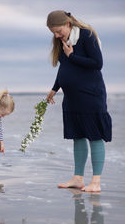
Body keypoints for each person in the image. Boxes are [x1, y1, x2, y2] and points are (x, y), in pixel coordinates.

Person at [46, 10, 112, 192]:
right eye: (53, 32)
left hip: (91, 95)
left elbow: (97, 63)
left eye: (58, 31)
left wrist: (72, 55)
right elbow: (64, 67)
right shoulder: (61, 41)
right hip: (72, 98)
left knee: (95, 136)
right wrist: (54, 88)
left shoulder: (86, 35)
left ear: (68, 24)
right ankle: (78, 178)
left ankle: (96, 182)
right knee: (78, 136)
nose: (56, 35)